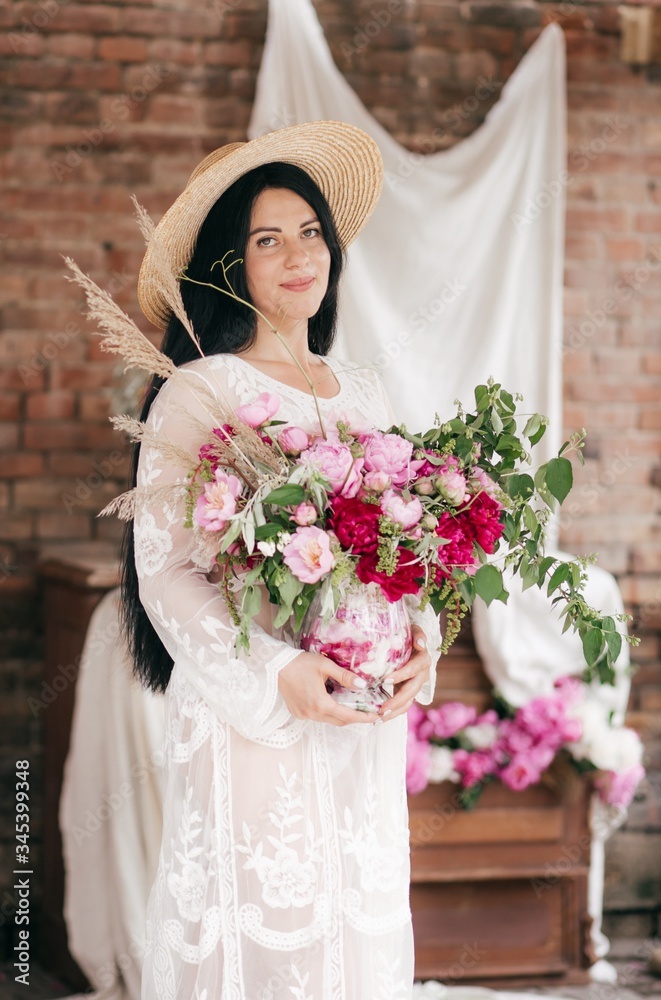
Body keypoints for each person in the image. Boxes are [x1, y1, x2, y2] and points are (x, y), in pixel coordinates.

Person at [121, 121, 442, 999]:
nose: (299, 255)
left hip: (362, 710)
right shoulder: (201, 389)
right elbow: (167, 571)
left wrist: (423, 638)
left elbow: (402, 544)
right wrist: (277, 669)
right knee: (267, 921)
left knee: (353, 922)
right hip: (256, 711)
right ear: (230, 264)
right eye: (268, 239)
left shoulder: (363, 390)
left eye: (310, 233)